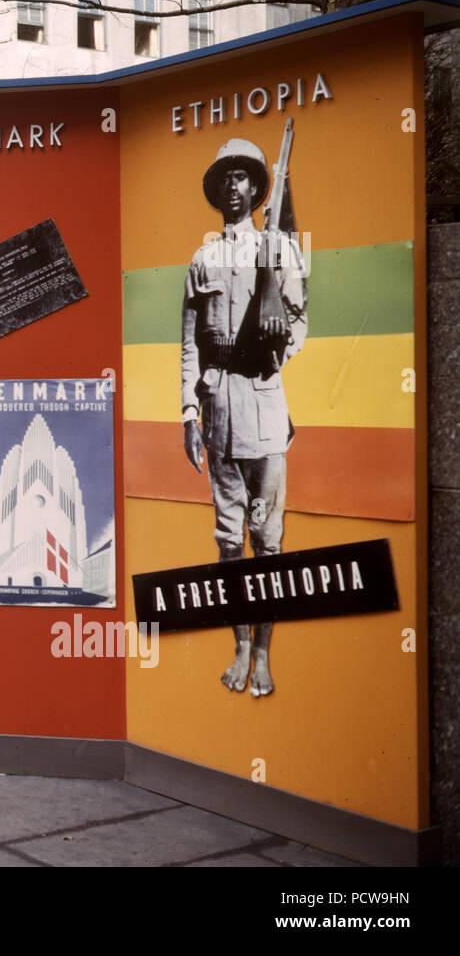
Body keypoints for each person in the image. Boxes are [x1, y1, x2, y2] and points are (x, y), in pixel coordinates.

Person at [181, 137, 307, 698]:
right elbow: (189, 346)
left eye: (242, 178)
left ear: (258, 189)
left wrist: (278, 338)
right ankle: (237, 644)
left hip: (264, 405)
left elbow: (301, 321)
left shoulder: (280, 250)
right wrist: (188, 413)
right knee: (229, 542)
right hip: (218, 413)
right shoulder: (202, 258)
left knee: (268, 540)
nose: (233, 187)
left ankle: (262, 653)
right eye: (225, 178)